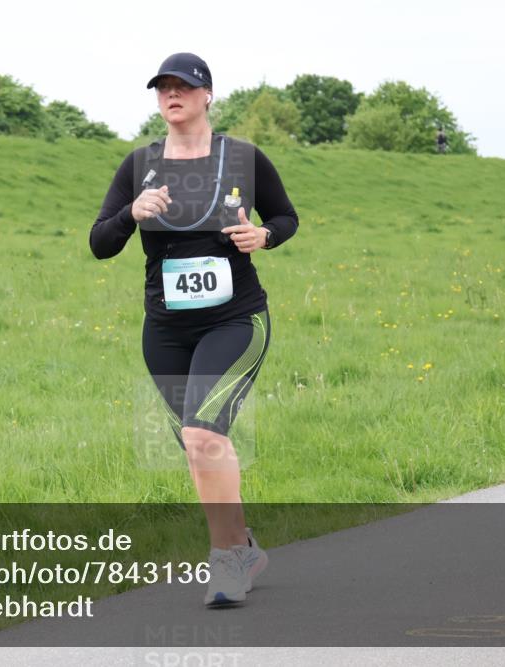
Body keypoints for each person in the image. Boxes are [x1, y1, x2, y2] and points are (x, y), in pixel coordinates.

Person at [89, 52, 299, 606]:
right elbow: (99, 243)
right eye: (162, 87)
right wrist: (131, 214)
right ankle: (243, 547)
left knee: (205, 435)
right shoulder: (140, 165)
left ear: (208, 95)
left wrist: (265, 238)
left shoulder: (244, 158)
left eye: (183, 86)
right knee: (198, 444)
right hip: (165, 330)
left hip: (235, 319)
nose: (171, 94)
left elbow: (285, 217)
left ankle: (227, 562)